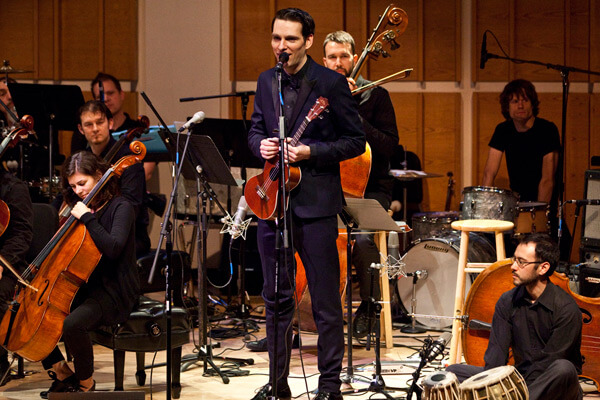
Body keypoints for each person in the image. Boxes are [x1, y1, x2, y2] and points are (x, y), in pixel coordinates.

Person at [247, 8, 365, 400]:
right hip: (271, 207)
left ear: (309, 41)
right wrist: (259, 144)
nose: (282, 46)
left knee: (325, 302)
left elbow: (354, 141)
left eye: (291, 39)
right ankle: (277, 384)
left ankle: (329, 387)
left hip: (315, 205)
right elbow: (255, 129)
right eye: (277, 38)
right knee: (275, 300)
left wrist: (310, 151)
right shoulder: (267, 80)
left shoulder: (330, 82)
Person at [40, 151, 139, 396]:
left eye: (82, 183)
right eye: (73, 186)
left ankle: (86, 384)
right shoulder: (80, 207)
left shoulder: (121, 206)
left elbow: (114, 248)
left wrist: (87, 218)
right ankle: (62, 372)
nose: (78, 191)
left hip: (115, 289)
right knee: (35, 315)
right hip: (86, 284)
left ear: (98, 176)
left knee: (73, 324)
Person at [322, 30, 399, 338]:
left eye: (344, 57)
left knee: (363, 238)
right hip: (328, 188)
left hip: (370, 190)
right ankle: (305, 313)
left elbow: (390, 146)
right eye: (332, 57)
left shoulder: (375, 95)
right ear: (323, 61)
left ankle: (369, 305)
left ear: (354, 58)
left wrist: (353, 113)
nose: (338, 63)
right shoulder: (317, 97)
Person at [446, 233, 583, 400]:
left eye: (521, 262)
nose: (513, 267)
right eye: (514, 259)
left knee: (564, 369)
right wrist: (489, 383)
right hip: (520, 378)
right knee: (453, 372)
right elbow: (495, 360)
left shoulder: (566, 309)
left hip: (552, 385)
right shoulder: (507, 301)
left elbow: (548, 364)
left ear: (543, 268)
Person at [73, 100, 150, 257]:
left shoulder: (129, 161)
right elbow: (67, 196)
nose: (95, 129)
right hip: (91, 231)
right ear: (81, 129)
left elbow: (130, 208)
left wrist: (90, 217)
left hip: (127, 238)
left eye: (100, 122)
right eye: (88, 124)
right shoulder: (82, 160)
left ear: (110, 123)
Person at [482, 79, 560, 204]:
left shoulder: (547, 129)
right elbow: (489, 173)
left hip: (544, 205)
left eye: (525, 100)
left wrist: (537, 214)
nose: (520, 106)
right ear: (507, 107)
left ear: (532, 104)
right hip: (517, 205)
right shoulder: (503, 130)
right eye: (515, 101)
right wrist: (484, 206)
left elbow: (547, 180)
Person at [0, 169, 33, 385]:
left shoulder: (14, 188)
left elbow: (22, 234)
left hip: (9, 264)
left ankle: (1, 363)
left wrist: (3, 260)